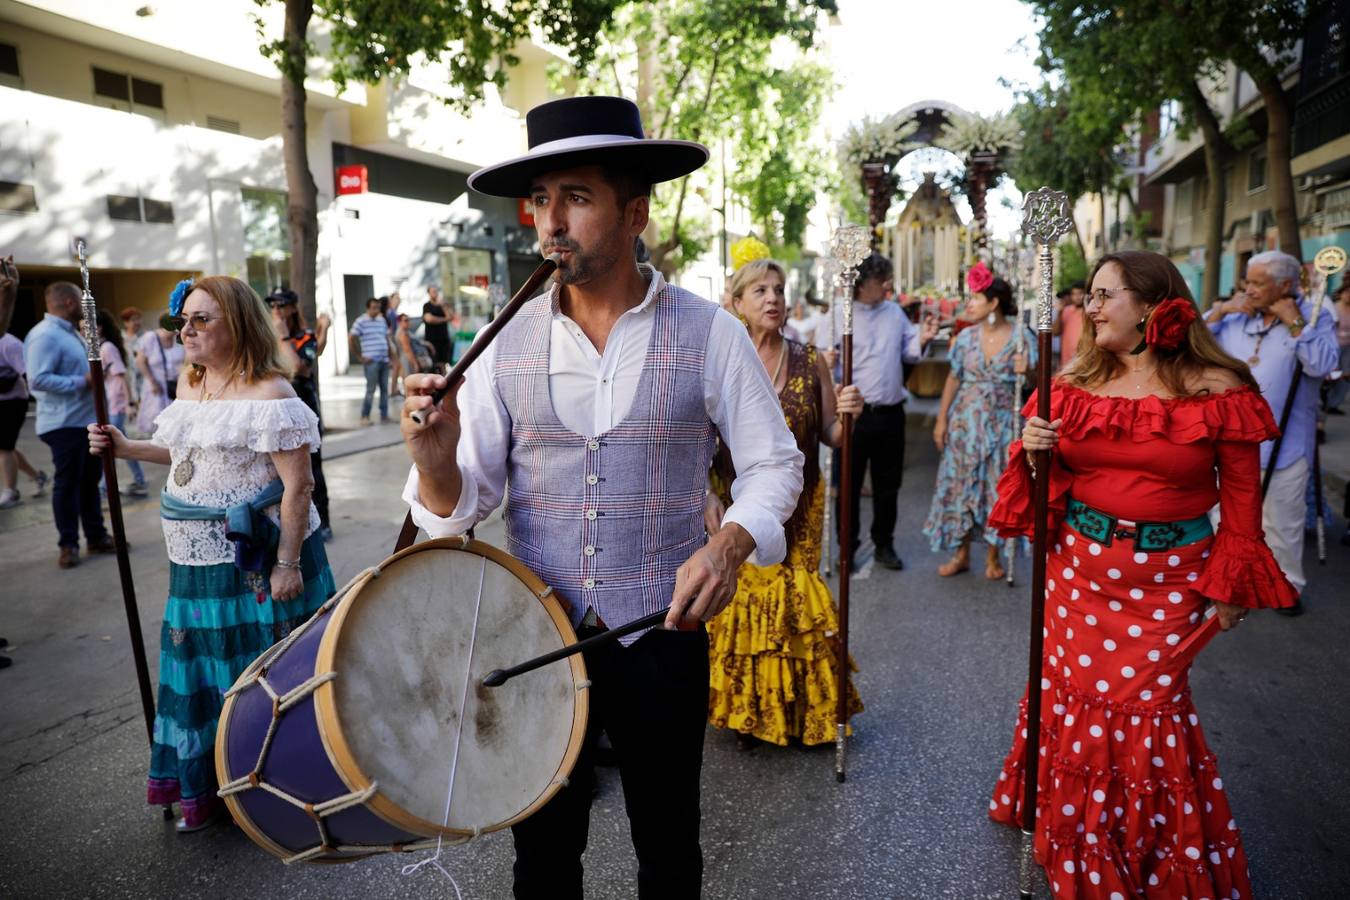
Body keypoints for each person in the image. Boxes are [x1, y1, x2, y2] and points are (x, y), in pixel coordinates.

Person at [399, 95, 803, 899]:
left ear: (635, 212)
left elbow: (775, 466)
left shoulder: (708, 332)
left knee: (669, 849)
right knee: (542, 858)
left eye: (577, 197)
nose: (552, 220)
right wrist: (436, 462)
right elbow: (455, 506)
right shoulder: (503, 342)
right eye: (543, 200)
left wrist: (730, 544)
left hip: (663, 628)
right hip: (534, 640)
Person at [986, 249, 1298, 898]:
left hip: (1167, 582)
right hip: (1077, 572)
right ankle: (1069, 832)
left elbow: (1242, 500)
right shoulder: (1073, 381)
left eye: (1104, 296)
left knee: (1150, 710)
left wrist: (1231, 585)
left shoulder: (1218, 388)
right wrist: (1037, 454)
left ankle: (1143, 851)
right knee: (1072, 701)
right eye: (1090, 297)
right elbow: (1047, 490)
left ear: (1154, 305)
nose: (1089, 307)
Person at [88, 275, 335, 833]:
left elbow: (298, 488)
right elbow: (181, 454)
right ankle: (218, 786)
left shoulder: (273, 394)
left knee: (262, 675)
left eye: (202, 319)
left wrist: (288, 564)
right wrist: (127, 447)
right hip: (193, 567)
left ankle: (278, 788)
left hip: (255, 564)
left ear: (239, 323)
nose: (187, 329)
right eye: (184, 319)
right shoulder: (191, 384)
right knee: (205, 672)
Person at [706, 258, 863, 749]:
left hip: (800, 502)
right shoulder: (720, 359)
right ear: (737, 304)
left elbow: (833, 437)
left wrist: (849, 415)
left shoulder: (810, 358)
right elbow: (695, 438)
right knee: (744, 597)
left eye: (778, 288)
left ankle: (802, 715)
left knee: (795, 599)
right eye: (759, 290)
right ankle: (748, 713)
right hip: (734, 499)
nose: (772, 298)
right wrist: (706, 494)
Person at [1205, 250, 1338, 614]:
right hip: (1229, 444)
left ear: (1286, 286)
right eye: (1248, 280)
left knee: (1282, 523)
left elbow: (1323, 364)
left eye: (1258, 283)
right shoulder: (1234, 319)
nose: (1249, 290)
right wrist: (1218, 313)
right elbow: (1190, 349)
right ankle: (1224, 583)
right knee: (1223, 518)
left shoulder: (1314, 317)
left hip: (1286, 446)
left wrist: (1296, 325)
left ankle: (1286, 588)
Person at [825, 252, 937, 571]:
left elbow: (910, 353)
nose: (888, 285)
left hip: (890, 413)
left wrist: (924, 339)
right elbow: (822, 362)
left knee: (888, 485)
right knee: (848, 485)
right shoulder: (838, 313)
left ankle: (884, 544)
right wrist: (826, 362)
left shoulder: (895, 314)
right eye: (881, 280)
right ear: (861, 283)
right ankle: (847, 547)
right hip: (853, 416)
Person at [923, 265, 1032, 579]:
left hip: (1003, 426)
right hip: (964, 426)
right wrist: (941, 421)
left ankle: (994, 557)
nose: (969, 304)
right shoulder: (966, 337)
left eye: (975, 298)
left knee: (997, 487)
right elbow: (953, 379)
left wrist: (1026, 371)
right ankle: (962, 554)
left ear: (993, 303)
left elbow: (1036, 383)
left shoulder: (1021, 336)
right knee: (960, 487)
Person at [23, 282, 114, 567]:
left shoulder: (68, 333)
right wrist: (82, 381)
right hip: (65, 424)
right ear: (69, 302)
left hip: (84, 420)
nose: (87, 307)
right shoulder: (45, 335)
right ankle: (68, 544)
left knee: (88, 483)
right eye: (81, 300)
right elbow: (37, 379)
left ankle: (96, 536)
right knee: (68, 484)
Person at [269, 288, 333, 540]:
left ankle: (323, 521)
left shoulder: (304, 337)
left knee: (312, 468)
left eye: (281, 305)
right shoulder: (271, 338)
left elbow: (298, 368)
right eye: (272, 305)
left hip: (304, 408)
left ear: (293, 307)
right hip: (276, 411)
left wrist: (283, 338)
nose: (276, 310)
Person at [96, 309, 147, 496]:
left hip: (117, 403)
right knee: (122, 444)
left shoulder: (107, 347)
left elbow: (122, 375)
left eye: (87, 327)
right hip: (110, 402)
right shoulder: (100, 346)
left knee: (107, 444)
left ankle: (102, 487)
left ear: (99, 328)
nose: (84, 332)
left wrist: (129, 403)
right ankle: (139, 481)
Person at [134, 315, 184, 434]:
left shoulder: (178, 339)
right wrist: (153, 382)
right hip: (156, 386)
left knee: (176, 426)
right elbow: (140, 362)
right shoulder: (151, 338)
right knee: (156, 423)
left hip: (175, 386)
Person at [350, 296, 391, 425]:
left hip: (384, 360)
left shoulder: (381, 320)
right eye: (373, 308)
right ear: (368, 308)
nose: (376, 310)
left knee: (385, 389)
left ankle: (384, 415)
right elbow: (351, 338)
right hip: (371, 361)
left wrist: (390, 356)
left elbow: (386, 339)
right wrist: (359, 356)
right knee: (370, 390)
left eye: (378, 308)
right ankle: (365, 416)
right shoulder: (361, 321)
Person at [1325, 283, 1350, 414]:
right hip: (1333, 346)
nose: (1349, 295)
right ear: (1340, 293)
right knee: (1331, 375)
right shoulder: (1332, 308)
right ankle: (1325, 402)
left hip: (1348, 348)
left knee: (1346, 376)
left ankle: (1334, 404)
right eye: (1346, 292)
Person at [1055, 279, 1086, 369]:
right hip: (1066, 363)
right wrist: (1059, 312)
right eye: (1074, 294)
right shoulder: (1066, 311)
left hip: (1084, 362)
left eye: (1080, 293)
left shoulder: (1090, 311)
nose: (1077, 297)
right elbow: (1056, 332)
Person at [422, 286, 452, 367]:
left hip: (443, 339)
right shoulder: (427, 306)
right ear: (429, 293)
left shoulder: (442, 305)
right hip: (432, 340)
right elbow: (429, 319)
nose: (435, 293)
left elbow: (450, 317)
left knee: (444, 363)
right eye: (433, 292)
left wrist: (442, 306)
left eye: (436, 291)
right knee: (435, 363)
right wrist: (444, 319)